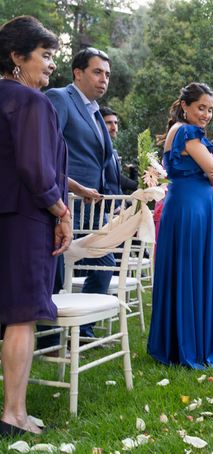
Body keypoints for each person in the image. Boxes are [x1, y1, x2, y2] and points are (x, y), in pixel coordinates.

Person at [0, 15, 71, 435]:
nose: (50, 66)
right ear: (16, 57)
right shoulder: (29, 102)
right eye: (44, 56)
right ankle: (13, 414)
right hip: (24, 218)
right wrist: (60, 212)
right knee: (21, 315)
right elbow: (35, 167)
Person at [147, 82, 213, 368]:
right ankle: (188, 346)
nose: (206, 114)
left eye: (210, 110)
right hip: (191, 207)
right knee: (190, 269)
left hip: (184, 203)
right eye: (201, 108)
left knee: (181, 269)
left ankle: (173, 342)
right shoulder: (188, 131)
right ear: (185, 106)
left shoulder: (177, 131)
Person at [45, 47, 116, 339]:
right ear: (78, 72)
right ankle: (49, 335)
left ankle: (81, 330)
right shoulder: (60, 98)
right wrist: (74, 186)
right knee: (56, 270)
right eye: (97, 72)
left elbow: (102, 161)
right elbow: (46, 151)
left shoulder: (96, 111)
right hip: (65, 200)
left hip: (94, 206)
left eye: (107, 75)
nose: (104, 79)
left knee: (103, 262)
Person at [99, 106, 138, 195]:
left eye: (116, 123)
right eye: (108, 123)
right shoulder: (98, 149)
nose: (114, 128)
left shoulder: (112, 150)